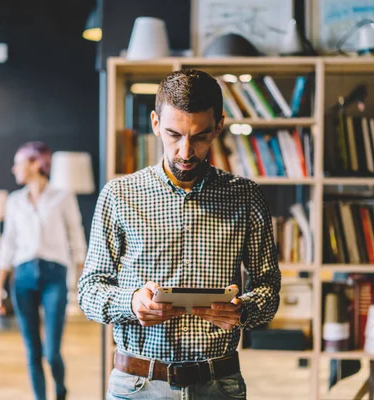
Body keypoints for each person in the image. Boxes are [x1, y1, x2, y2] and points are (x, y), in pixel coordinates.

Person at [78, 69, 281, 399]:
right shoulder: (119, 195)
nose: (186, 152)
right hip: (138, 384)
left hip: (219, 383)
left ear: (218, 127)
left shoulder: (245, 197)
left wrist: (243, 310)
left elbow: (268, 287)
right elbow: (89, 290)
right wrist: (131, 302)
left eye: (199, 136)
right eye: (174, 135)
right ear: (156, 123)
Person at [0, 142, 87, 400]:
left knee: (52, 352)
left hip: (54, 276)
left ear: (35, 164)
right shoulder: (14, 201)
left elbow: (76, 238)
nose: (14, 169)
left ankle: (60, 389)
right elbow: (8, 244)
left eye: (19, 163)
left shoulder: (63, 197)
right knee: (32, 351)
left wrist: (82, 280)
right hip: (22, 277)